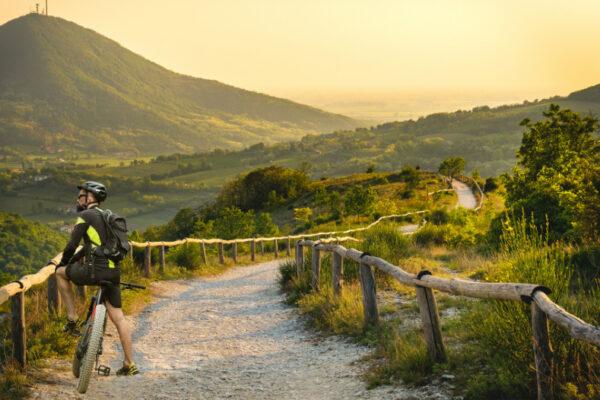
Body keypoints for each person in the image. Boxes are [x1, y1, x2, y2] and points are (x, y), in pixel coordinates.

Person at [49, 181, 139, 376]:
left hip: (93, 271)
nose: (78, 199)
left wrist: (62, 264)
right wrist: (73, 260)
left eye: (81, 195)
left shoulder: (85, 216)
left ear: (90, 198)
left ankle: (72, 318)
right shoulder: (108, 217)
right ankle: (129, 363)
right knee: (119, 319)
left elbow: (72, 245)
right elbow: (88, 247)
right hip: (113, 273)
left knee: (59, 274)